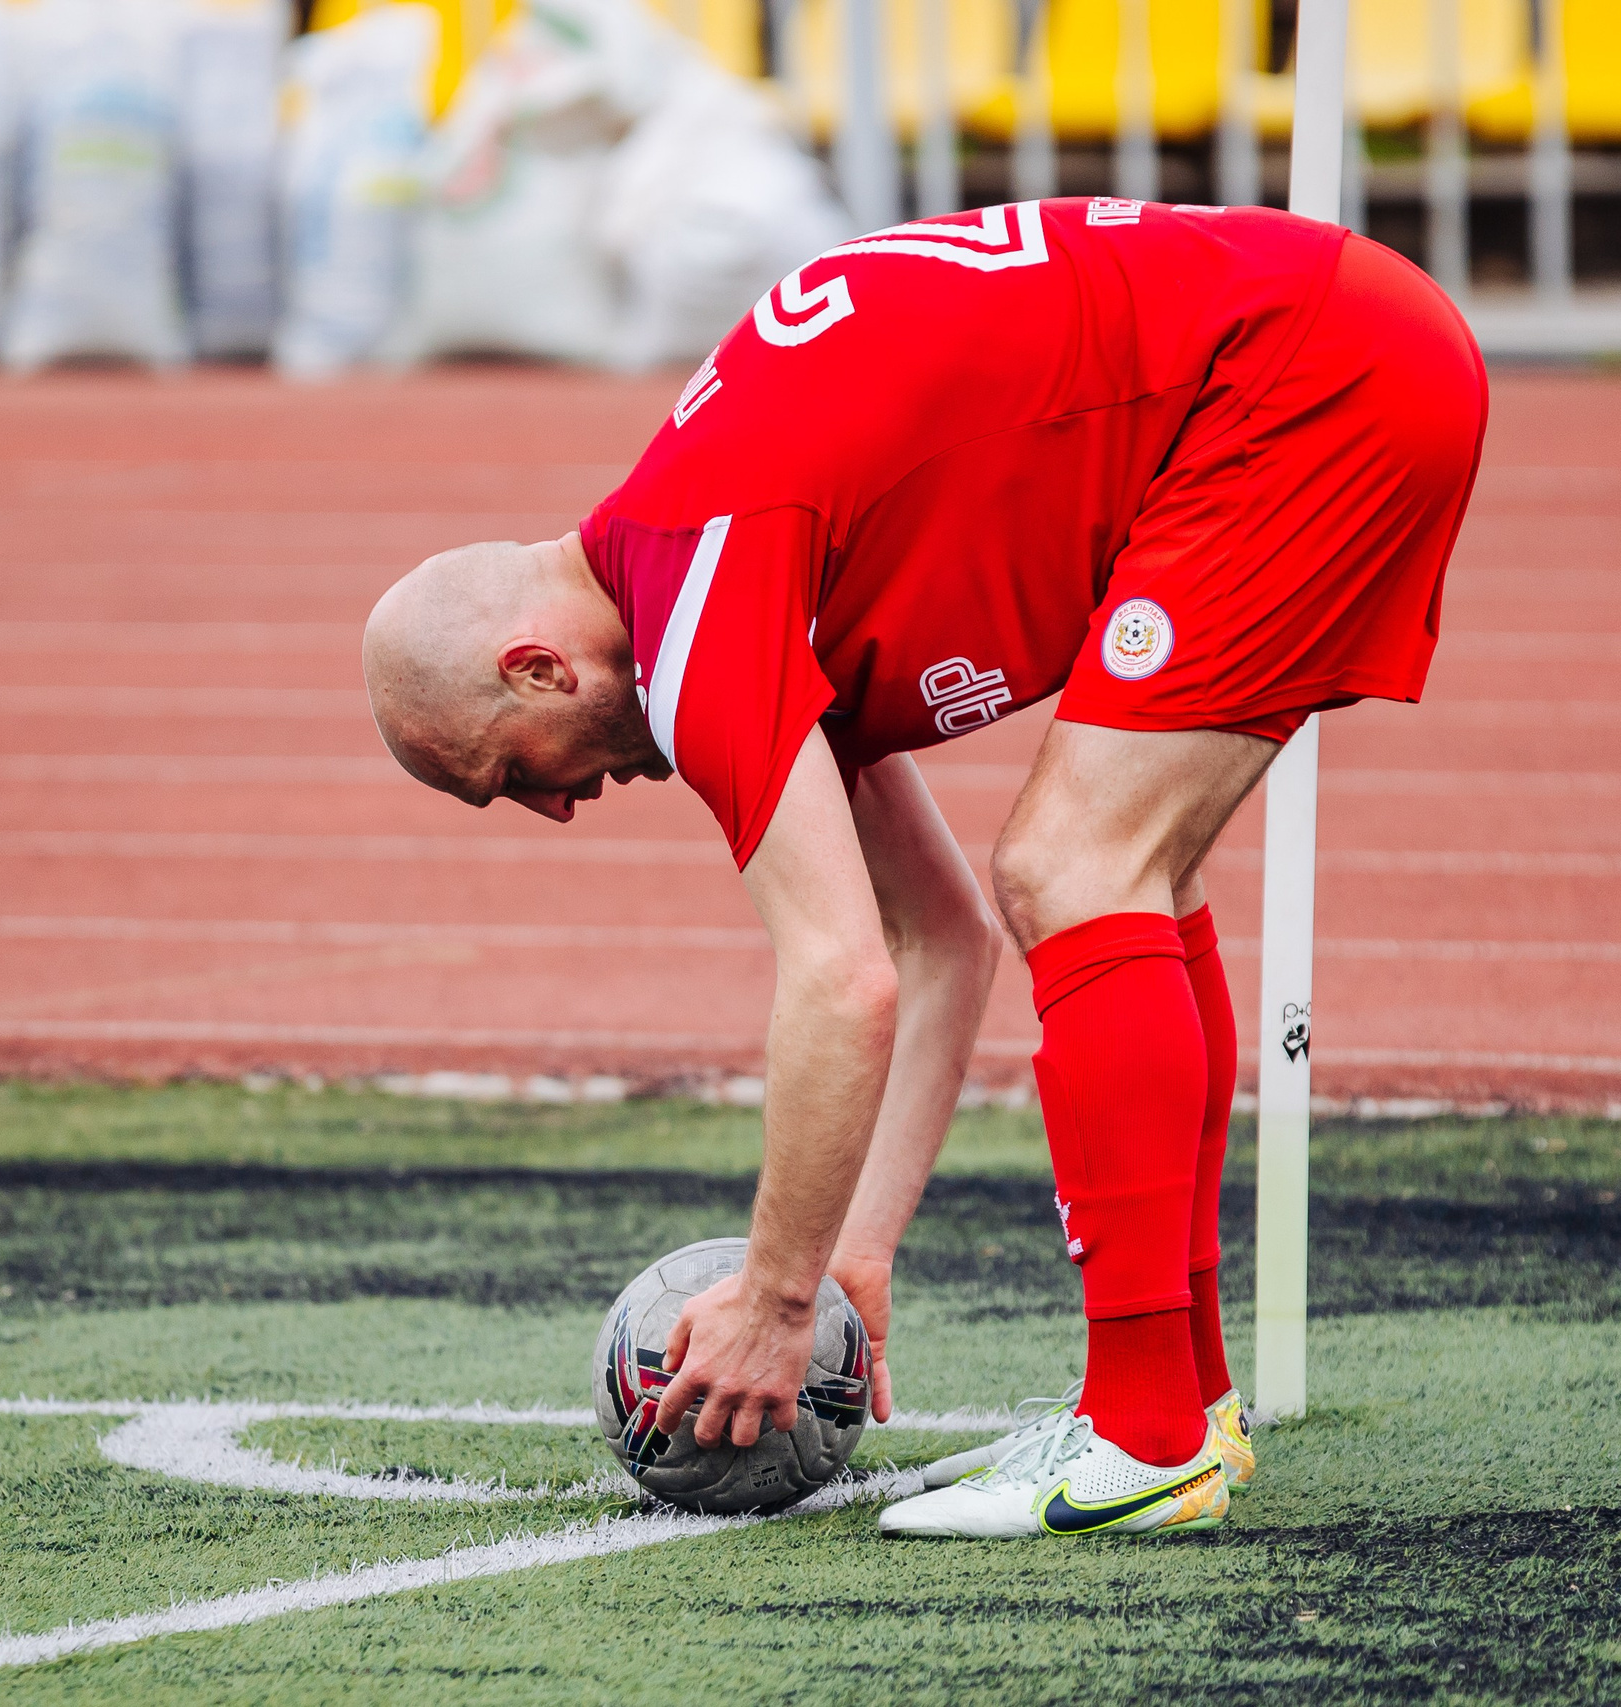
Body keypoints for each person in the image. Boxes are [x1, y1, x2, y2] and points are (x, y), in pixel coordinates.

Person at [363, 197, 1486, 1540]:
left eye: (511, 771)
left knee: (1080, 863)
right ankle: (1184, 1407)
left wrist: (781, 1301)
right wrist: (853, 1257)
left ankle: (1144, 1439)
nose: (554, 809)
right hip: (1334, 348)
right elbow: (937, 943)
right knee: (1129, 876)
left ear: (536, 669)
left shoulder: (699, 603)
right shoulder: (702, 558)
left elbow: (843, 981)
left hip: (1309, 379)